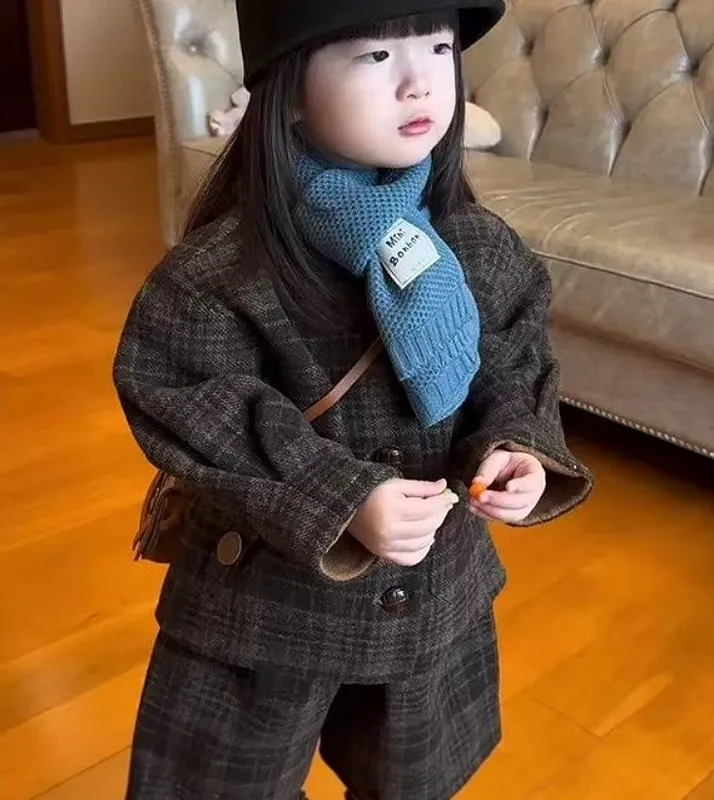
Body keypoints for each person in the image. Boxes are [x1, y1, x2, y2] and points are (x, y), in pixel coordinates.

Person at [113, 0, 593, 797]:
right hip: (266, 602)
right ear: (289, 88)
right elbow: (189, 396)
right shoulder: (219, 273)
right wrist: (340, 497)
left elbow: (513, 366)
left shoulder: (479, 246)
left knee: (410, 778)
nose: (419, 83)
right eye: (375, 56)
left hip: (432, 591)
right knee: (225, 782)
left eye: (437, 48)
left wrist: (516, 449)